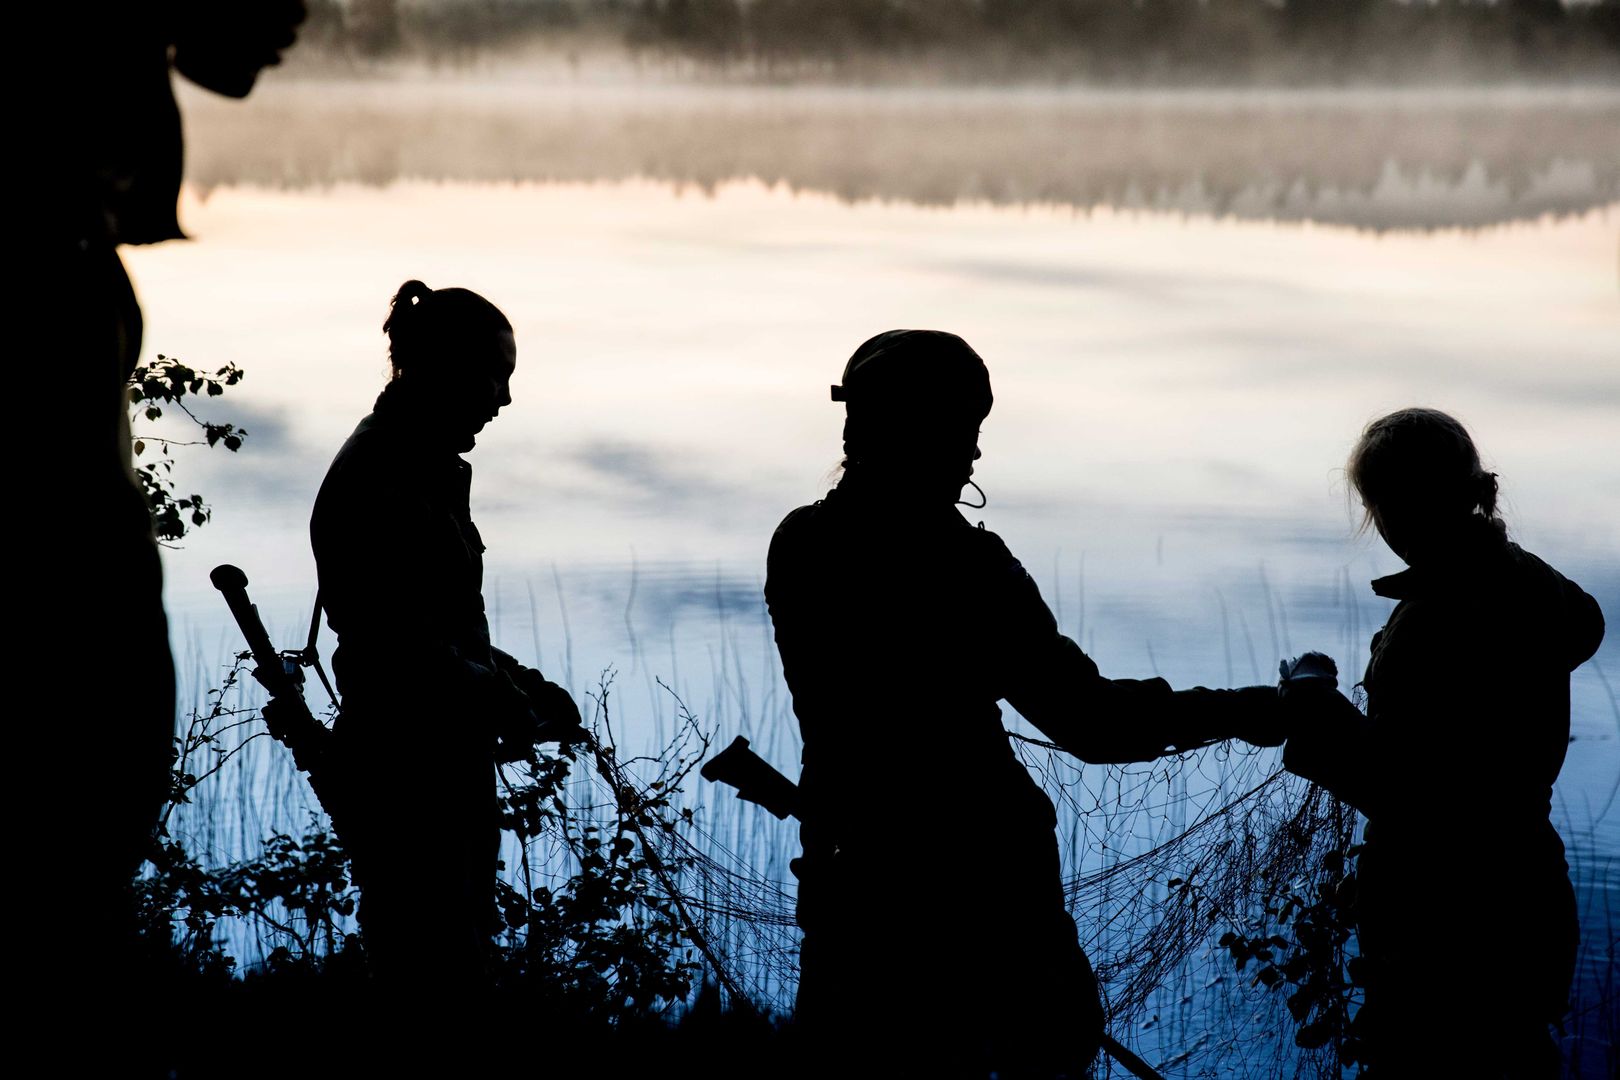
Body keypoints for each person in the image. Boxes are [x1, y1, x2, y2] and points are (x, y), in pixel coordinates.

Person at [764, 329, 1287, 1078]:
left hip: (851, 893)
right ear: (921, 432)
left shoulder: (800, 544)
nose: (974, 456)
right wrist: (1247, 709)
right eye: (964, 434)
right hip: (990, 904)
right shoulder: (968, 567)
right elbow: (1092, 723)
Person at [1279, 408, 1604, 1078]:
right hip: (1530, 897)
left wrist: (1315, 709)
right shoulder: (1528, 580)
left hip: (1442, 922)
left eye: (1379, 503)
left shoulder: (1438, 620)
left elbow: (1411, 794)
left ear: (1397, 506)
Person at [310, 280, 581, 989]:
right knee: (426, 976)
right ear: (437, 369)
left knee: (455, 963)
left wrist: (520, 681)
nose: (504, 398)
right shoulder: (380, 479)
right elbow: (397, 645)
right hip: (405, 777)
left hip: (443, 767)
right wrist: (504, 702)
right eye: (495, 375)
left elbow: (438, 625)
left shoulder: (420, 468)